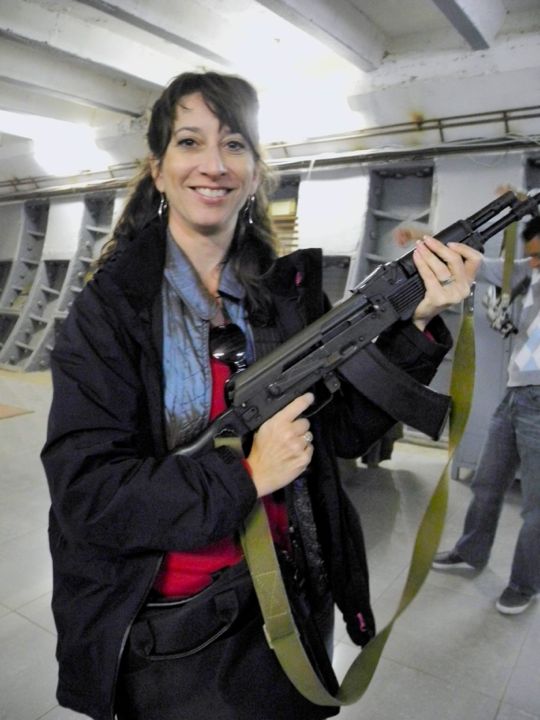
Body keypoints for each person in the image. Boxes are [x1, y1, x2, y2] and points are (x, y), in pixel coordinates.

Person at [41, 71, 481, 720]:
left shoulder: (285, 296)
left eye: (235, 145)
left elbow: (338, 433)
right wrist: (246, 475)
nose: (214, 164)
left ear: (254, 174)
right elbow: (89, 494)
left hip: (292, 598)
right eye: (190, 142)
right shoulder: (110, 314)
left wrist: (415, 324)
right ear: (158, 169)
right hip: (176, 630)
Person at [433, 215, 540, 615]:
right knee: (487, 483)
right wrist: (431, 243)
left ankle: (525, 584)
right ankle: (470, 551)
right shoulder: (528, 273)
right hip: (515, 397)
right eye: (532, 254)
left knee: (535, 509)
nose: (532, 261)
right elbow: (477, 264)